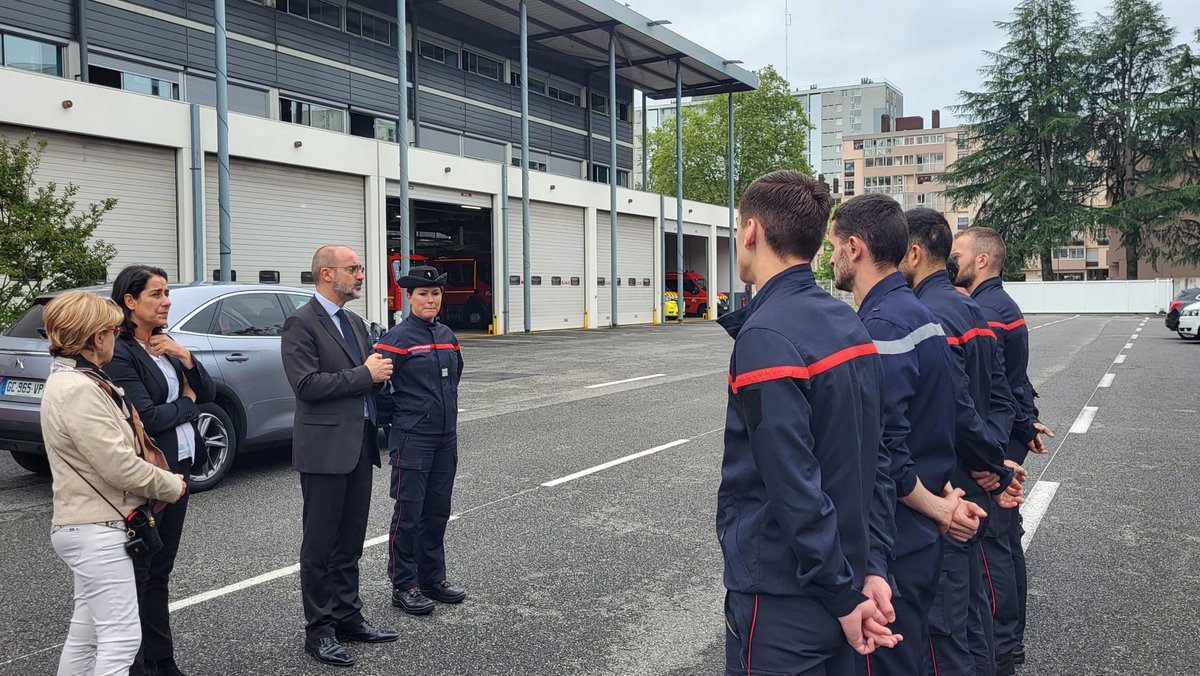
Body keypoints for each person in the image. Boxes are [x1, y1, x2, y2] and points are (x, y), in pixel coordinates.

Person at [716, 170, 899, 676]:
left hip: (784, 597)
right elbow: (877, 459)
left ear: (751, 230)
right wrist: (871, 568)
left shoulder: (766, 336)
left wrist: (840, 591)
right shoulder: (847, 322)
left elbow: (792, 484)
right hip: (847, 579)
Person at [829, 195, 982, 676]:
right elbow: (944, 415)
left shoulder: (881, 326)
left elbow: (884, 449)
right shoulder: (921, 315)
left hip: (895, 538)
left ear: (854, 248)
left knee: (890, 662)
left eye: (833, 247)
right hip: (919, 532)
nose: (830, 258)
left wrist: (940, 508)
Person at [900, 208, 1023, 676]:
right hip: (974, 479)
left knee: (946, 627)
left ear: (914, 253)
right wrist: (994, 460)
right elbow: (1002, 397)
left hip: (947, 487)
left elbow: (956, 408)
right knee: (972, 617)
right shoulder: (970, 307)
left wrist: (986, 463)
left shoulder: (926, 315)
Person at [41, 290, 187, 676]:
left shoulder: (73, 379)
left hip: (85, 525)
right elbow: (118, 465)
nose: (115, 337)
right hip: (98, 529)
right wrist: (171, 485)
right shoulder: (78, 389)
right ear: (95, 338)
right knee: (120, 639)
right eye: (112, 331)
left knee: (87, 635)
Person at [281, 245, 398, 668]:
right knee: (320, 545)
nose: (360, 275)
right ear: (327, 274)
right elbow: (307, 385)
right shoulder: (300, 323)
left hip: (359, 445)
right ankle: (320, 631)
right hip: (324, 449)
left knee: (350, 541)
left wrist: (379, 377)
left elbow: (368, 377)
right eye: (353, 269)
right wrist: (365, 374)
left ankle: (348, 617)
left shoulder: (353, 322)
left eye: (360, 268)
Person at [951, 227, 1056, 674]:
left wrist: (990, 459)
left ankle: (1002, 649)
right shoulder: (1002, 305)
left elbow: (989, 389)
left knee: (993, 549)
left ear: (981, 261)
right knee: (1007, 545)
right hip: (1005, 439)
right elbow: (1016, 381)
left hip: (993, 445)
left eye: (957, 254)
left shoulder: (985, 312)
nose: (950, 261)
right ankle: (1009, 643)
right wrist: (1027, 421)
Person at [105, 265, 215, 676]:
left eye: (167, 293)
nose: (166, 301)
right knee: (142, 572)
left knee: (161, 569)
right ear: (130, 301)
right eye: (156, 294)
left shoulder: (165, 343)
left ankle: (162, 660)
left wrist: (184, 357)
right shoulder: (121, 351)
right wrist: (186, 404)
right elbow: (148, 417)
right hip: (151, 474)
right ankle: (137, 664)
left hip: (179, 470)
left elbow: (207, 391)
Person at [375, 265, 467, 616]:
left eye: (436, 294)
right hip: (413, 438)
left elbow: (455, 377)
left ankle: (433, 578)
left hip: (445, 438)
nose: (431, 300)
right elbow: (378, 390)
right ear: (409, 297)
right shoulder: (395, 339)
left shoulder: (447, 335)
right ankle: (404, 584)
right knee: (409, 513)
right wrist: (404, 418)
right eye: (423, 294)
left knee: (437, 511)